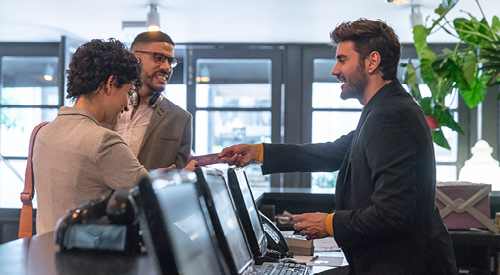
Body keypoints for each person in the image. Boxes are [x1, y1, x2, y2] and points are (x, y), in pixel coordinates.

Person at [219, 19, 457, 275]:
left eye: (342, 60)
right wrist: (259, 152)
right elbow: (334, 152)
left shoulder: (391, 115)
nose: (334, 70)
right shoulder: (383, 108)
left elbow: (393, 212)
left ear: (372, 61)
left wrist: (330, 223)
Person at [33, 39, 195, 235]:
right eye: (128, 92)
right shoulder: (104, 141)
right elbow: (153, 201)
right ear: (111, 84)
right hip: (88, 259)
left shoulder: (43, 134)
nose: (128, 104)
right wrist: (184, 178)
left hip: (44, 255)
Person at [112, 31, 192, 170]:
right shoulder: (105, 106)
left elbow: (177, 180)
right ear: (134, 57)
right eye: (159, 58)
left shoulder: (181, 119)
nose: (167, 67)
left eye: (170, 61)